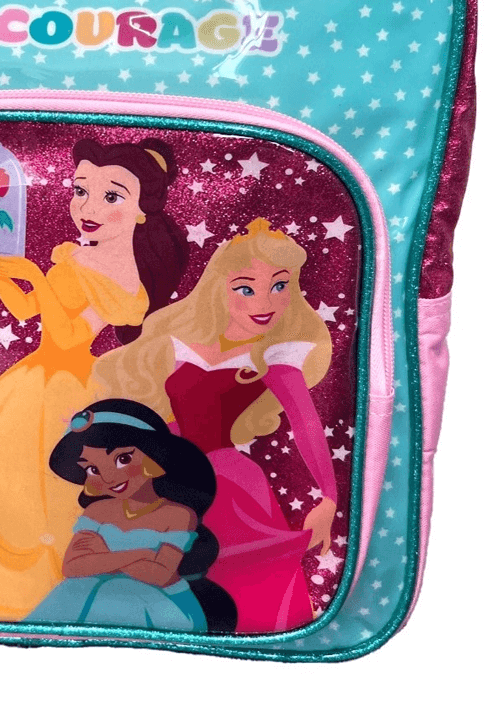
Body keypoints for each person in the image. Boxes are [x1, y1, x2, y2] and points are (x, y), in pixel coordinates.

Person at [0, 136, 188, 621]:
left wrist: (33, 272)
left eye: (111, 196)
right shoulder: (75, 256)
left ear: (142, 210)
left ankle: (52, 597)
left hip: (68, 390)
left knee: (50, 495)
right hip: (30, 379)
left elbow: (73, 336)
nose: (88, 207)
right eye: (80, 190)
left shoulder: (126, 278)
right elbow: (25, 310)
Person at [93, 218, 337, 632]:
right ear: (219, 288)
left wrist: (329, 497)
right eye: (246, 288)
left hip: (226, 481)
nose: (265, 302)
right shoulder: (181, 342)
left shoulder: (274, 356)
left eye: (280, 285)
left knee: (233, 569)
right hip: (163, 470)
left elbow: (307, 424)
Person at [27, 399, 236, 633]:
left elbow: (160, 575)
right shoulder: (97, 511)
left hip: (164, 606)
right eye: (93, 469)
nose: (108, 478)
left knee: (114, 591)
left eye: (122, 459)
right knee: (77, 590)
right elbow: (73, 567)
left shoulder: (177, 515)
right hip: (95, 596)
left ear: (154, 455)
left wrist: (103, 557)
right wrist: (142, 555)